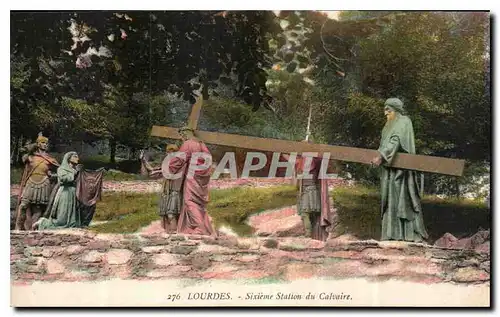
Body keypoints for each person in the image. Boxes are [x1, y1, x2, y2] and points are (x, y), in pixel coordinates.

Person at [370, 98, 429, 243]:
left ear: (396, 110)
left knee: (403, 199)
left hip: (401, 171)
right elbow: (384, 144)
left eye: (388, 110)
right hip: (389, 170)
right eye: (385, 110)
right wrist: (379, 155)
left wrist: (381, 156)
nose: (385, 113)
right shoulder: (387, 126)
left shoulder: (403, 121)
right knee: (390, 200)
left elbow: (395, 140)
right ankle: (391, 234)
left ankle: (407, 235)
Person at [167, 126, 215, 236]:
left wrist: (168, 167)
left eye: (181, 136)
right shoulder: (202, 144)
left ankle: (199, 227)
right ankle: (202, 227)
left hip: (192, 177)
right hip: (202, 179)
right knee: (199, 203)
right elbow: (208, 161)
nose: (181, 138)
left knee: (190, 201)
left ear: (184, 134)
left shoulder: (188, 144)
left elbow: (179, 159)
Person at [284, 139, 332, 241]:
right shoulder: (304, 160)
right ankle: (312, 235)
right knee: (310, 214)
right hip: (309, 190)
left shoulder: (313, 159)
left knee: (306, 214)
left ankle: (308, 235)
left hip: (310, 191)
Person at [15, 133, 59, 230]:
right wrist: (34, 144)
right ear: (38, 144)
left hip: (44, 183)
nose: (45, 145)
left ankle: (32, 230)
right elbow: (22, 150)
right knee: (23, 205)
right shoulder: (30, 157)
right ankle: (18, 228)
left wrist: (51, 175)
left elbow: (59, 171)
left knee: (38, 209)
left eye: (46, 143)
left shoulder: (50, 159)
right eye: (43, 143)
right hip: (30, 182)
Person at [33, 151, 82, 230]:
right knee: (62, 220)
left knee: (72, 221)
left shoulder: (74, 170)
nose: (77, 158)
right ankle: (42, 222)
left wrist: (78, 172)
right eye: (75, 156)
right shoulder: (61, 169)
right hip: (65, 193)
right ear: (68, 158)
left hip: (73, 193)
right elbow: (64, 179)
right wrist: (75, 173)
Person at [140, 144, 183, 233]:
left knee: (171, 214)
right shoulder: (167, 163)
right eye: (168, 152)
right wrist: (143, 161)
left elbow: (167, 171)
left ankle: (174, 232)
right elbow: (152, 172)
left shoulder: (178, 163)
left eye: (172, 152)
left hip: (174, 190)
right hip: (166, 190)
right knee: (166, 214)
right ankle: (169, 232)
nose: (169, 154)